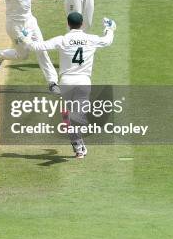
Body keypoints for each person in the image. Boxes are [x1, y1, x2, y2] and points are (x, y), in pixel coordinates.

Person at [26, 12, 116, 158]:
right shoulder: (90, 39)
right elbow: (107, 41)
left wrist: (25, 36)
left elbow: (37, 46)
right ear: (82, 24)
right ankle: (78, 142)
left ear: (68, 24)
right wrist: (109, 28)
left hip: (66, 82)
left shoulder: (62, 39)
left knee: (68, 118)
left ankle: (78, 144)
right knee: (77, 115)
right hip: (83, 82)